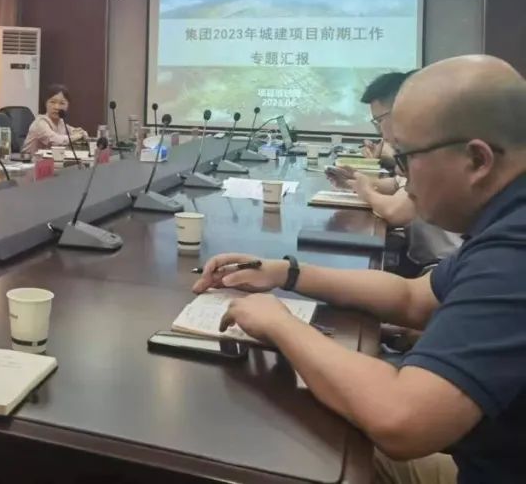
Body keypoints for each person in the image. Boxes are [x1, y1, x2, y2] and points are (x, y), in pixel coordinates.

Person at [194, 55, 526, 484]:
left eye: (404, 159)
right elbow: (412, 297)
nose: (402, 179)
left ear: (477, 160)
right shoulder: (505, 222)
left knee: (297, 452)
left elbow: (403, 420)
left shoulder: (513, 251)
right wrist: (286, 273)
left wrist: (279, 323)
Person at [329, 71, 461, 269]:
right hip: (421, 258)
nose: (379, 131)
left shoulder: (433, 153)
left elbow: (396, 212)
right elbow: (397, 184)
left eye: (379, 120)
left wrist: (366, 191)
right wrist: (354, 181)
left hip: (441, 266)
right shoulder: (416, 149)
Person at [23, 84, 88, 153]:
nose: (57, 107)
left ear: (68, 105)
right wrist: (77, 136)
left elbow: (74, 131)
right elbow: (55, 140)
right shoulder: (40, 123)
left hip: (49, 159)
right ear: (45, 103)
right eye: (52, 102)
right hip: (31, 159)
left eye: (62, 103)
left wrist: (82, 133)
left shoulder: (61, 122)